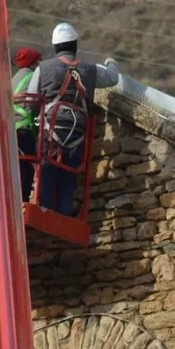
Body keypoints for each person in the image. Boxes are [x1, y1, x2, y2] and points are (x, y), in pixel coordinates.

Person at [26, 23, 119, 216]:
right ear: (75, 45)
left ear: (55, 47)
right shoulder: (90, 69)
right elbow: (112, 78)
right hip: (77, 131)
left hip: (50, 130)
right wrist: (111, 61)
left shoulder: (43, 68)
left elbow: (30, 100)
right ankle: (64, 215)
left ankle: (44, 213)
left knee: (47, 171)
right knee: (69, 174)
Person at [11, 47, 42, 202]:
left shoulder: (12, 79)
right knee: (26, 168)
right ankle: (21, 201)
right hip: (24, 131)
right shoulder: (33, 78)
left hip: (9, 132)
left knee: (12, 169)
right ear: (34, 63)